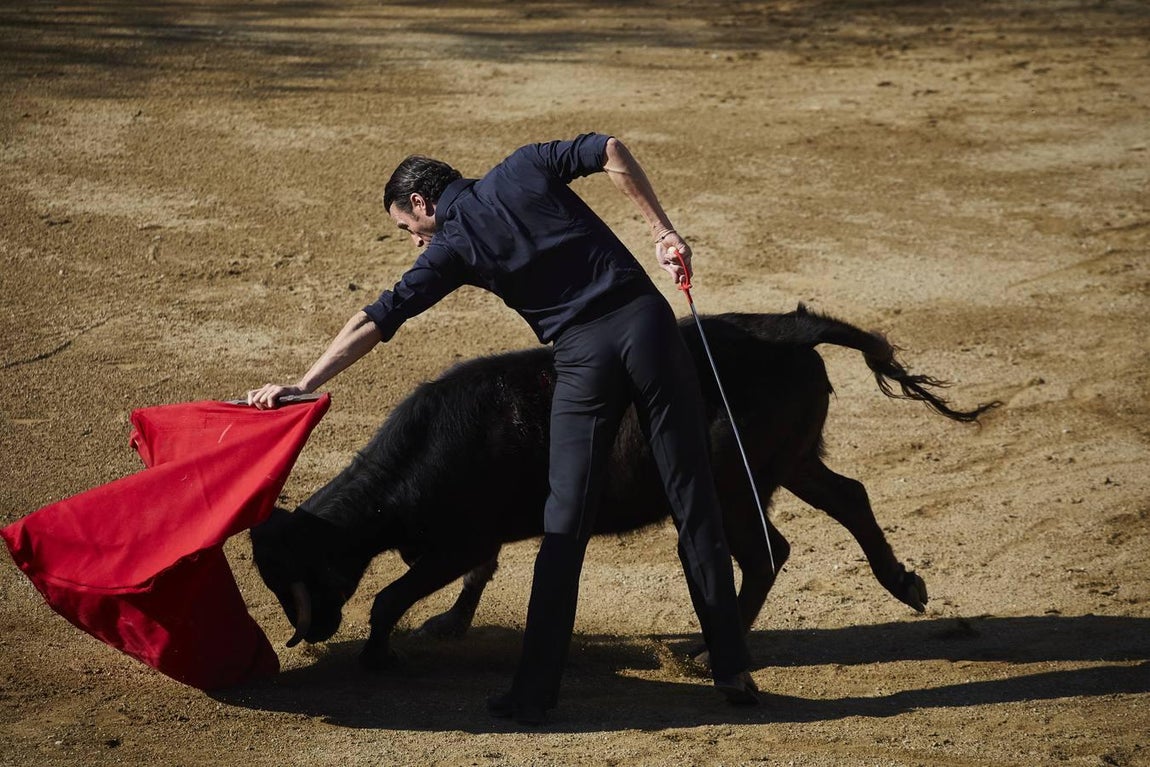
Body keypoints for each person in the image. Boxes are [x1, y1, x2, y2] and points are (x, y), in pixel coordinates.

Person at [248, 133, 758, 724]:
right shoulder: (526, 165)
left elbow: (378, 318)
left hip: (584, 356)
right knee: (692, 498)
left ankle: (535, 691)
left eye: (408, 227)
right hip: (649, 326)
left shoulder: (452, 245)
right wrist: (662, 232)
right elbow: (611, 149)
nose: (414, 240)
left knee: (564, 522)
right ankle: (732, 666)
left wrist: (304, 383)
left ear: (422, 203)